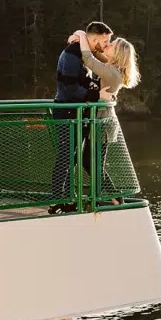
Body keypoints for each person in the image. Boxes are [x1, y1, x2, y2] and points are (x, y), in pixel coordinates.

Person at [69, 31, 141, 205]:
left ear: (117, 54)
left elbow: (88, 58)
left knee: (91, 163)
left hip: (102, 123)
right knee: (90, 162)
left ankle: (115, 197)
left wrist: (81, 35)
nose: (108, 44)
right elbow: (94, 52)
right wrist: (82, 41)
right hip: (100, 121)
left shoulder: (111, 72)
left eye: (112, 45)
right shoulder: (109, 66)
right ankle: (110, 197)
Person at [49, 21, 113, 214]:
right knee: (66, 156)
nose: (106, 44)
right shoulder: (71, 54)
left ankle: (69, 198)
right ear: (94, 39)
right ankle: (57, 200)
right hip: (67, 113)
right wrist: (97, 96)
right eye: (104, 40)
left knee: (73, 157)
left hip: (76, 113)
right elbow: (68, 88)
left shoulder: (83, 52)